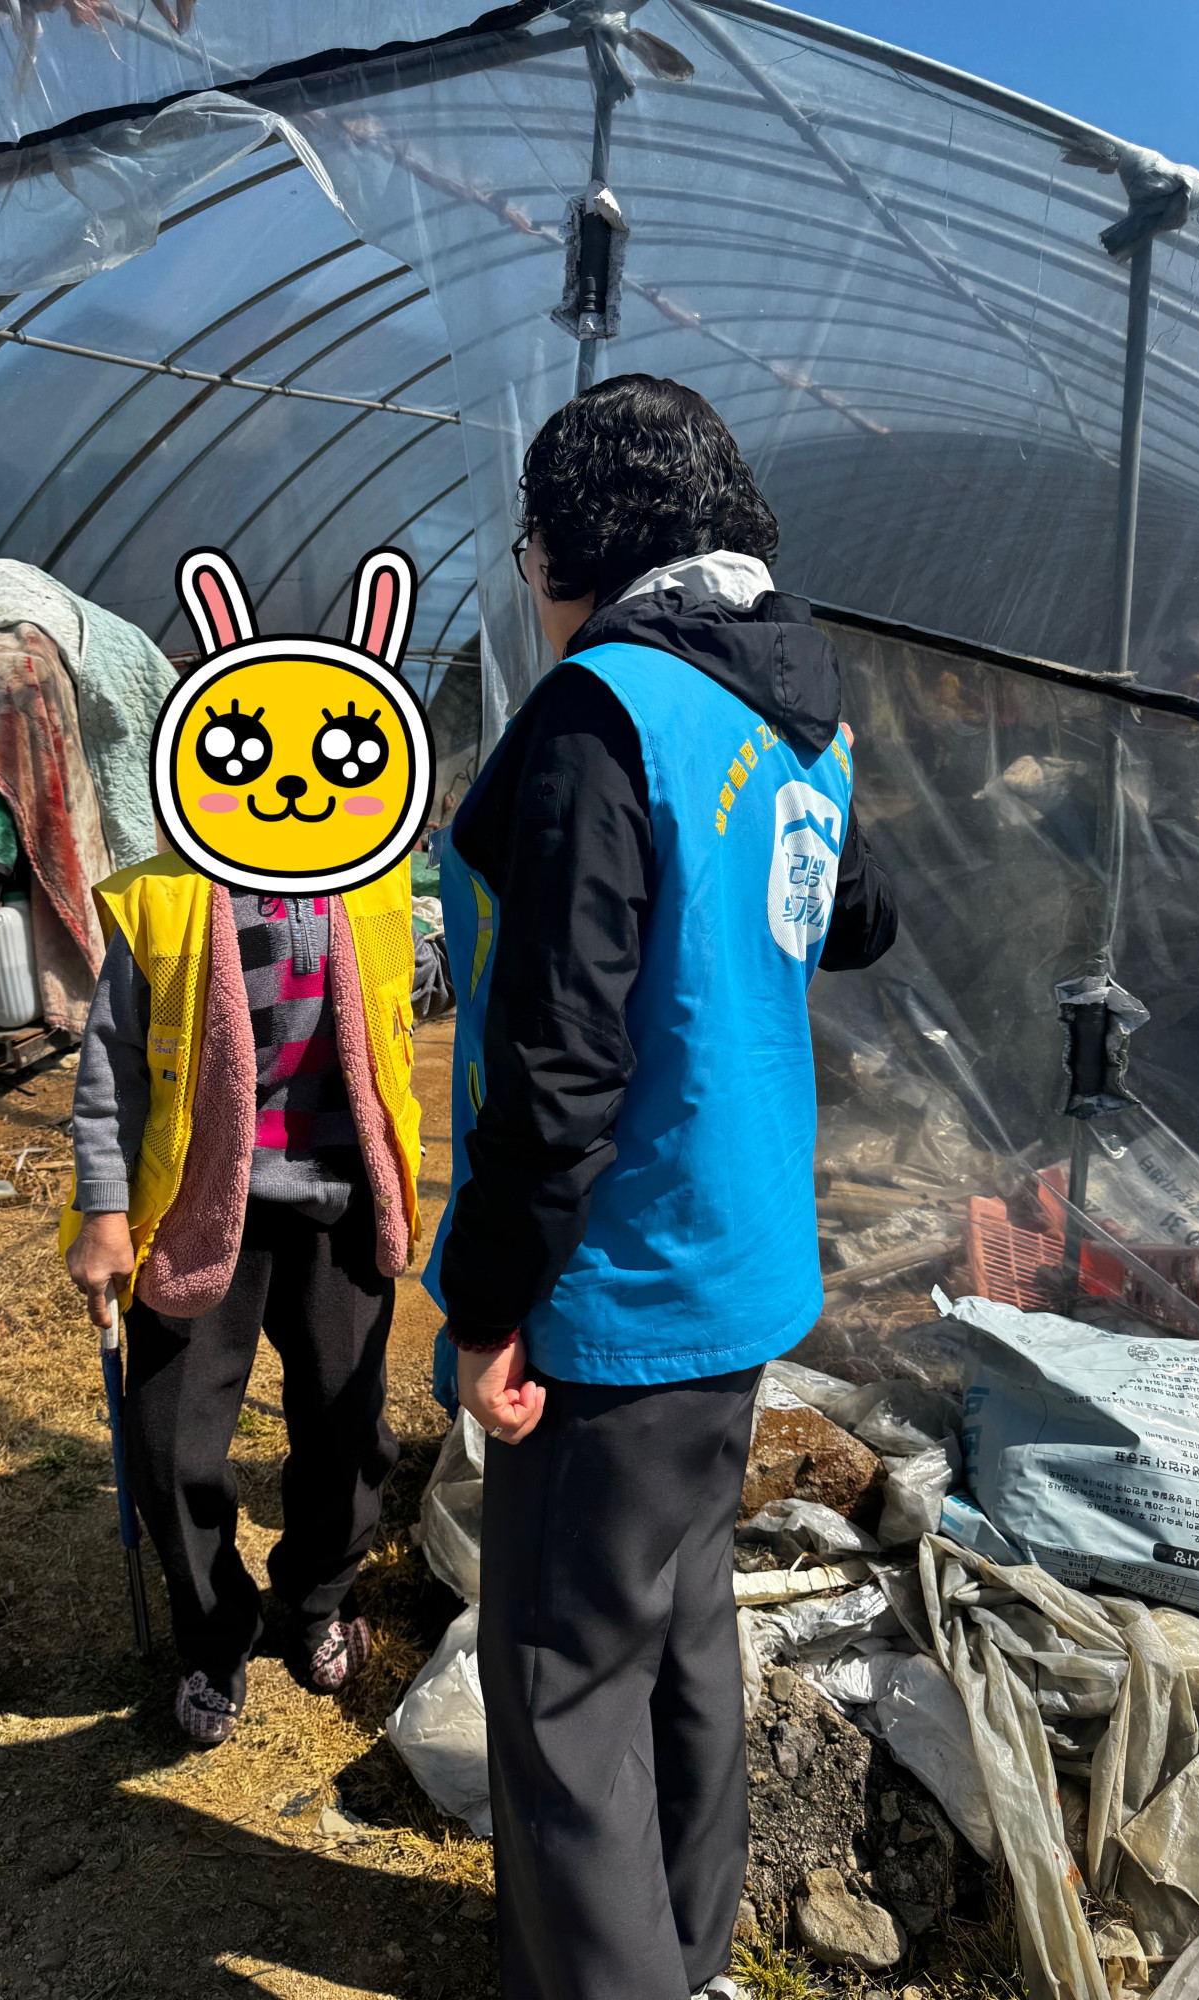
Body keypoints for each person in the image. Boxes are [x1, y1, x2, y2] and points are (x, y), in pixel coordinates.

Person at [427, 375, 898, 2000]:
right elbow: (860, 919)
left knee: (562, 1675)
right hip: (742, 1260)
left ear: (573, 545)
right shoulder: (795, 710)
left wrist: (489, 1303)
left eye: (527, 550)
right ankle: (685, 1953)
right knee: (681, 1621)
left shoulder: (603, 710)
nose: (528, 581)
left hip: (618, 1288)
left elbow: (561, 1065)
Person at [62, 859, 422, 1746]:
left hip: (340, 1205)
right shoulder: (164, 900)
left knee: (347, 1431)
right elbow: (112, 1065)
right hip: (195, 1212)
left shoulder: (376, 883)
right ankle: (216, 1635)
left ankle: (317, 1602)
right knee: (170, 1445)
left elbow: (408, 1001)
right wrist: (104, 1211)